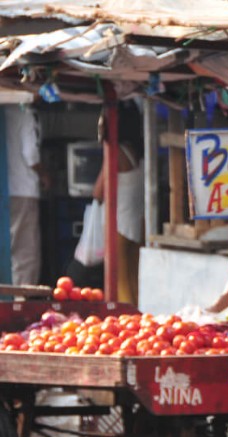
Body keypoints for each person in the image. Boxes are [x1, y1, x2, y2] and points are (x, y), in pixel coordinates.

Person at [89, 101, 144, 303]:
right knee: (133, 279)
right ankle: (138, 321)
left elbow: (98, 190)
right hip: (136, 222)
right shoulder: (137, 150)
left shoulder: (115, 151)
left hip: (118, 224)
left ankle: (127, 322)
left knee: (119, 281)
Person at [5, 104, 44, 286]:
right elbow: (31, 156)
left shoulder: (6, 112)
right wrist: (44, 175)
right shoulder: (24, 115)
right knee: (25, 251)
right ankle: (22, 302)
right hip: (23, 189)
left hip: (7, 189)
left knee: (9, 248)